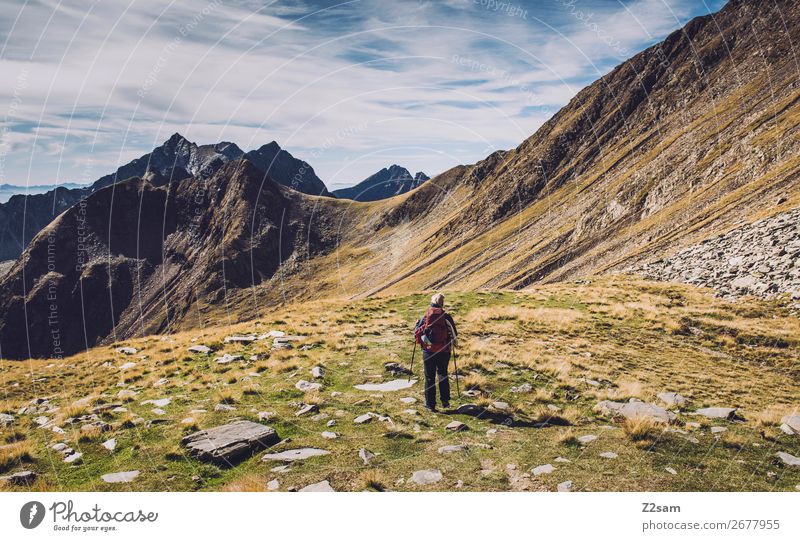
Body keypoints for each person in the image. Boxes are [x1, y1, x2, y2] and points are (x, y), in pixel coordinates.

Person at [414, 293, 457, 412]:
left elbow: (417, 333)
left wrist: (427, 343)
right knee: (443, 374)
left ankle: (430, 405)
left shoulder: (425, 317)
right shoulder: (447, 317)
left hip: (429, 351)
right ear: (442, 303)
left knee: (429, 377)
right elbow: (454, 335)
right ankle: (445, 401)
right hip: (444, 351)